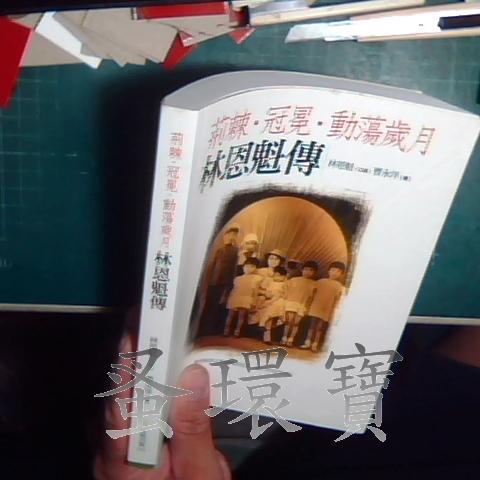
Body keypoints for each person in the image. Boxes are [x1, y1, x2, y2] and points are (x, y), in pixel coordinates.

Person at [198, 224, 240, 336]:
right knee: (209, 304)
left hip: (224, 283)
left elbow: (234, 269)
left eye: (234, 235)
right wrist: (209, 281)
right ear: (225, 236)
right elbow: (213, 267)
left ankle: (214, 330)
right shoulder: (219, 250)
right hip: (213, 282)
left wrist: (229, 286)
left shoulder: (235, 251)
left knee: (219, 306)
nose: (231, 237)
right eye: (229, 235)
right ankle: (203, 329)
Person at [301, 261, 346, 352]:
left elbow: (337, 300)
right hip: (315, 307)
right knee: (312, 326)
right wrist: (308, 306)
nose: (334, 273)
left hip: (326, 310)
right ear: (328, 271)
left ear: (341, 274)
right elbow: (312, 295)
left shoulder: (340, 287)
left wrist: (333, 312)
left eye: (338, 271)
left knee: (320, 328)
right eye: (333, 270)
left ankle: (315, 344)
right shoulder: (320, 282)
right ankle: (307, 342)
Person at [223, 257, 262, 337]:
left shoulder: (257, 278)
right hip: (235, 297)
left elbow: (256, 291)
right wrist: (229, 298)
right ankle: (226, 331)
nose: (248, 268)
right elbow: (234, 289)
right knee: (230, 315)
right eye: (246, 266)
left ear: (255, 268)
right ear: (243, 266)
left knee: (241, 316)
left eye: (252, 266)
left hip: (246, 298)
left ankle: (237, 331)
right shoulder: (237, 278)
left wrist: (254, 301)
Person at [281, 261, 317, 347]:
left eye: (311, 270)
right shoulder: (294, 280)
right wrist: (284, 302)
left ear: (314, 272)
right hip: (291, 303)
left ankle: (291, 339)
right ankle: (284, 337)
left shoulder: (314, 284)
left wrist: (307, 308)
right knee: (289, 321)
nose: (307, 272)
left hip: (302, 305)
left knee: (296, 323)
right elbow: (285, 290)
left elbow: (312, 298)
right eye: (306, 269)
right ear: (302, 270)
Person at [257, 266, 288, 344]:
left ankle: (263, 323)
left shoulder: (284, 284)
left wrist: (278, 296)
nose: (277, 277)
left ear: (284, 277)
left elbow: (285, 294)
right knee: (268, 320)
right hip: (269, 301)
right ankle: (266, 338)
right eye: (276, 275)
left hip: (278, 302)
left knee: (270, 314)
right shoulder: (270, 283)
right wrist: (267, 295)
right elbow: (266, 292)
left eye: (280, 276)